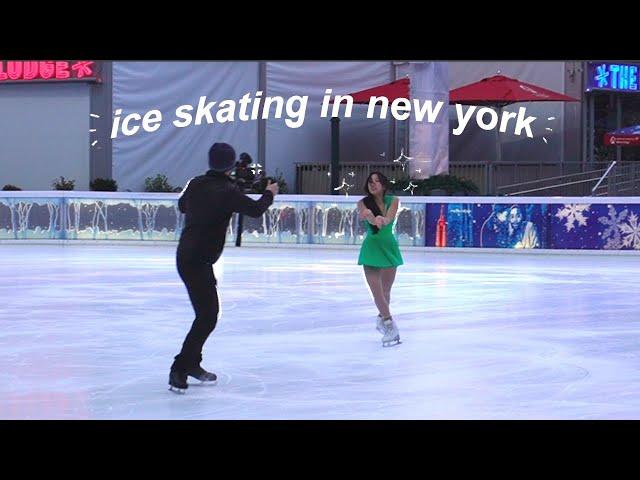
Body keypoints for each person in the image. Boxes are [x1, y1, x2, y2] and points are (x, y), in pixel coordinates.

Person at [169, 142, 279, 393]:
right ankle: (180, 368)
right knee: (207, 317)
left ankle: (193, 364)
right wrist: (270, 192)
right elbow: (255, 209)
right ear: (231, 166)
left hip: (187, 255)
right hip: (198, 260)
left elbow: (183, 205)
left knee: (205, 315)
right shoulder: (228, 191)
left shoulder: (196, 183)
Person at [357, 172, 403, 347]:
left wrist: (383, 219)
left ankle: (381, 318)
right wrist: (371, 217)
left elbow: (389, 217)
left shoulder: (393, 200)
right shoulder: (363, 203)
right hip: (371, 249)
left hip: (389, 247)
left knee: (386, 291)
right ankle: (390, 325)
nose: (373, 184)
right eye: (370, 181)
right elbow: (368, 216)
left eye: (377, 181)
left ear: (384, 185)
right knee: (377, 292)